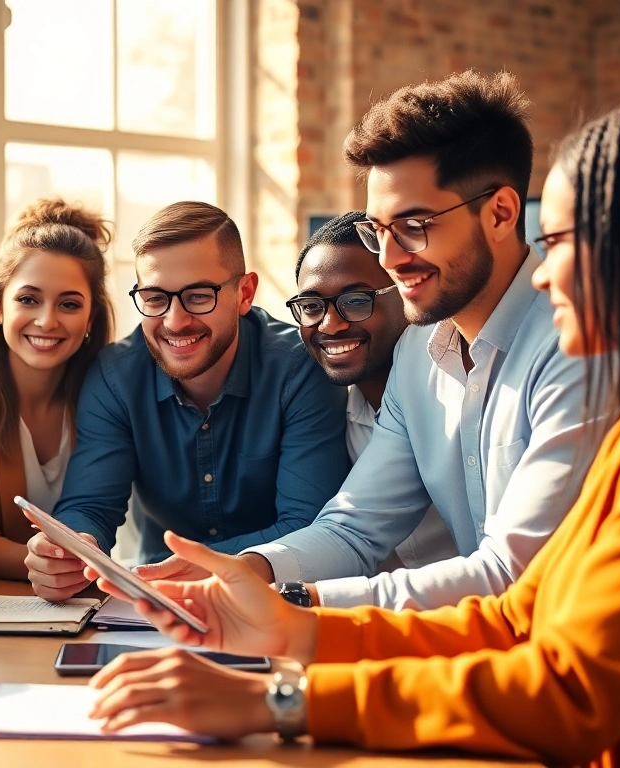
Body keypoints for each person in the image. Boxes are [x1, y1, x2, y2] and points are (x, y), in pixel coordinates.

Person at [86, 100, 620, 765]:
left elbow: (570, 691)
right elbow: (514, 618)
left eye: (562, 239)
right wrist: (288, 628)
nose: (544, 273)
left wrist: (280, 701)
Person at [141, 71, 593, 612]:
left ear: (500, 213)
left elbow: (512, 573)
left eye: (414, 225)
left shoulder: (575, 345)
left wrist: (296, 602)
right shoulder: (417, 355)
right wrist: (248, 569)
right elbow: (355, 528)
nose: (390, 258)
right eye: (377, 231)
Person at [24, 201, 350, 601]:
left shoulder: (300, 369)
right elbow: (90, 506)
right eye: (156, 298)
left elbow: (308, 526)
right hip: (151, 605)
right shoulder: (114, 376)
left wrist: (211, 562)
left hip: (277, 600)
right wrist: (69, 550)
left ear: (244, 293)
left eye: (198, 296)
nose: (175, 322)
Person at [0, 199, 113, 580]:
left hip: (90, 596)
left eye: (69, 304)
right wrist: (64, 565)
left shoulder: (108, 394)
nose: (47, 321)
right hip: (3, 606)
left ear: (90, 319)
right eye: (28, 299)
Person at [282, 211, 456, 569]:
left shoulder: (454, 393)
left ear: (408, 292)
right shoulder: (341, 415)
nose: (331, 324)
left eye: (357, 300)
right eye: (312, 306)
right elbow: (353, 532)